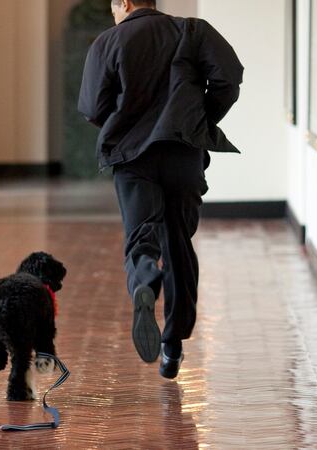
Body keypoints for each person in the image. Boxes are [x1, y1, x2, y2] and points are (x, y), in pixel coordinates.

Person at [78, 0, 243, 379]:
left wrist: (123, 123)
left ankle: (145, 277)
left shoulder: (108, 41)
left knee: (142, 236)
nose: (113, 14)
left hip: (133, 156)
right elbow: (228, 78)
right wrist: (198, 117)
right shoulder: (193, 31)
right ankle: (173, 344)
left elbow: (92, 106)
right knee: (179, 242)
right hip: (183, 151)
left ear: (125, 3)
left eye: (113, 7)